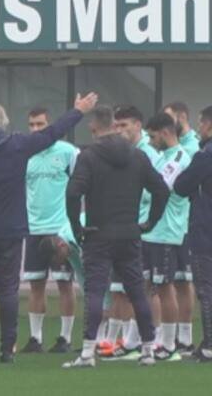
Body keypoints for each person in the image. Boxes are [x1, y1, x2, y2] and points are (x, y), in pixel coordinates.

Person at [0, 93, 97, 365]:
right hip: (10, 230)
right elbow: (52, 133)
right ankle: (7, 349)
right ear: (4, 122)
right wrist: (77, 111)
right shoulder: (16, 146)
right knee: (8, 290)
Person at [62, 105, 170, 369]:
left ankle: (88, 352)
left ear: (93, 127)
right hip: (129, 233)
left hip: (98, 234)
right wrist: (150, 222)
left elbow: (73, 193)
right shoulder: (138, 156)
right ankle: (148, 349)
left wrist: (77, 227)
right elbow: (161, 190)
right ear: (114, 125)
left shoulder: (89, 156)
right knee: (137, 291)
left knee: (95, 291)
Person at [102, 105, 161, 359]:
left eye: (124, 125)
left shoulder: (149, 154)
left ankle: (151, 341)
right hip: (128, 229)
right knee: (129, 288)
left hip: (146, 229)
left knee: (147, 287)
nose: (119, 130)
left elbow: (157, 190)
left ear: (138, 125)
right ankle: (132, 341)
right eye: (116, 126)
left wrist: (147, 221)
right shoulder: (125, 153)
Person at [21, 107, 80, 355]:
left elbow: (81, 186)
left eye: (40, 124)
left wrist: (74, 223)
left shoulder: (68, 152)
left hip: (60, 229)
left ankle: (65, 338)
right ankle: (35, 338)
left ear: (50, 125)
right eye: (32, 125)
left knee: (65, 283)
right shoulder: (24, 154)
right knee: (36, 284)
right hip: (33, 228)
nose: (36, 129)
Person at [141, 113, 191, 362]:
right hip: (154, 232)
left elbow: (158, 189)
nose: (151, 142)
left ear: (165, 132)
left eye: (153, 137)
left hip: (167, 232)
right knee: (153, 286)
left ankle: (170, 345)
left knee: (165, 286)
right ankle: (159, 338)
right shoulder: (164, 157)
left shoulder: (179, 158)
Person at [174, 104, 212, 362]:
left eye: (201, 123)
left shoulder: (205, 155)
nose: (199, 128)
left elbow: (181, 185)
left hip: (205, 230)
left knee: (206, 289)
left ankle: (209, 345)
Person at [163, 101, 200, 355]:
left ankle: (185, 338)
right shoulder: (171, 147)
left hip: (186, 224)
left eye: (169, 118)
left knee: (184, 282)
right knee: (171, 282)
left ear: (181, 117)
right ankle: (173, 336)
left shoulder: (193, 147)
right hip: (170, 225)